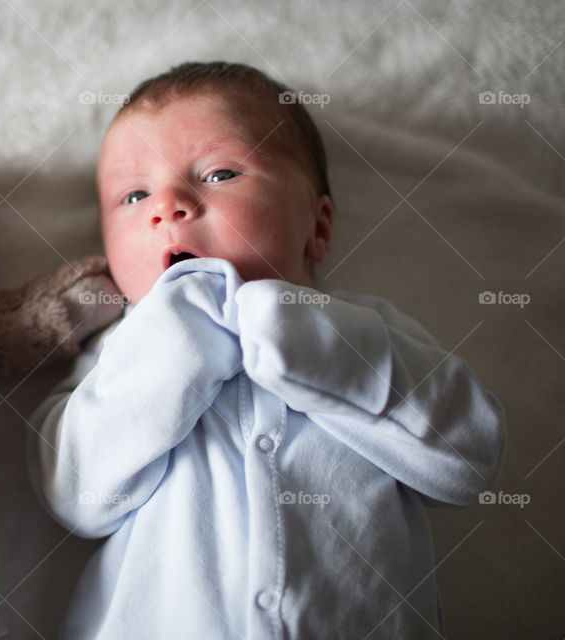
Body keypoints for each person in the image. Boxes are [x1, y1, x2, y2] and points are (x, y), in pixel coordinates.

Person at [26, 61, 506, 639]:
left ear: (317, 228)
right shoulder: (118, 353)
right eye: (133, 194)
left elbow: (470, 461)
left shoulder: (365, 329)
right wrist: (171, 350)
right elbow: (74, 497)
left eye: (220, 174)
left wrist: (319, 346)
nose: (168, 205)